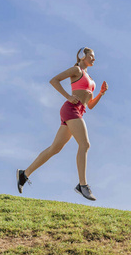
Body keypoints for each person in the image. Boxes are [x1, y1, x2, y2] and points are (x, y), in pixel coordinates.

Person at [17, 47, 108, 201]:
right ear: (81, 56)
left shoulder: (91, 79)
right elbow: (54, 80)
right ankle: (82, 185)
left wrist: (100, 93)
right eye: (91, 56)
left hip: (78, 112)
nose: (94, 58)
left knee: (55, 148)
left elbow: (90, 105)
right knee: (85, 145)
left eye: (94, 56)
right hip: (70, 110)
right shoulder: (76, 70)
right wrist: (67, 96)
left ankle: (24, 174)